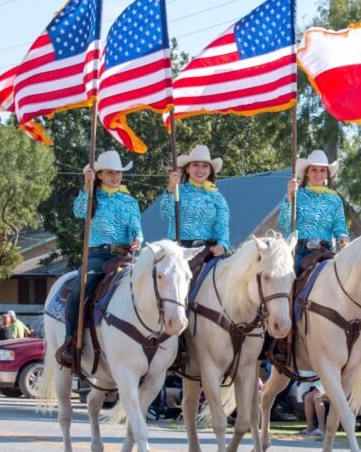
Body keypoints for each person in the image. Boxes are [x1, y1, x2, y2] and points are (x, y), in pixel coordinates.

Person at [56, 151, 143, 368]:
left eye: (119, 172)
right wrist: (87, 186)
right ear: (101, 175)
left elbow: (136, 228)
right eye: (110, 172)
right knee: (79, 290)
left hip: (124, 255)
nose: (116, 176)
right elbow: (78, 212)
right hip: (98, 254)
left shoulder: (129, 201)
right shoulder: (92, 197)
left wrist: (138, 239)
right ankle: (70, 340)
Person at [278, 149, 349, 274]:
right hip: (298, 250)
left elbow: (340, 227)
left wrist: (343, 238)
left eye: (322, 170)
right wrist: (289, 197)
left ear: (327, 174)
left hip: (324, 251)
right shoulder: (296, 194)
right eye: (314, 169)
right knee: (287, 282)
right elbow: (283, 222)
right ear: (307, 173)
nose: (318, 174)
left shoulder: (335, 200)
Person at [161, 144, 230, 256]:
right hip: (179, 248)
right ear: (188, 168)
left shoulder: (217, 197)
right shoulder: (178, 191)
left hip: (207, 249)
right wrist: (170, 189)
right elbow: (165, 214)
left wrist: (222, 245)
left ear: (209, 170)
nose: (200, 169)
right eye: (195, 165)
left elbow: (222, 226)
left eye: (205, 166)